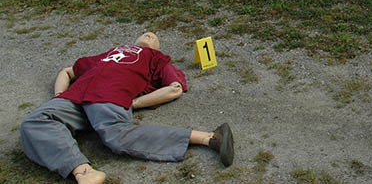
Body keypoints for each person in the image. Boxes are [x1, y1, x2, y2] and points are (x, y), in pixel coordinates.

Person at [20, 32, 234, 184]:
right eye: (146, 33)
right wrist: (59, 96)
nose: (150, 34)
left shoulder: (157, 58)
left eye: (154, 37)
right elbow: (67, 72)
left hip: (110, 96)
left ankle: (209, 137)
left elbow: (174, 88)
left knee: (117, 136)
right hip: (75, 97)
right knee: (33, 123)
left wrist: (133, 104)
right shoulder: (109, 53)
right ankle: (83, 171)